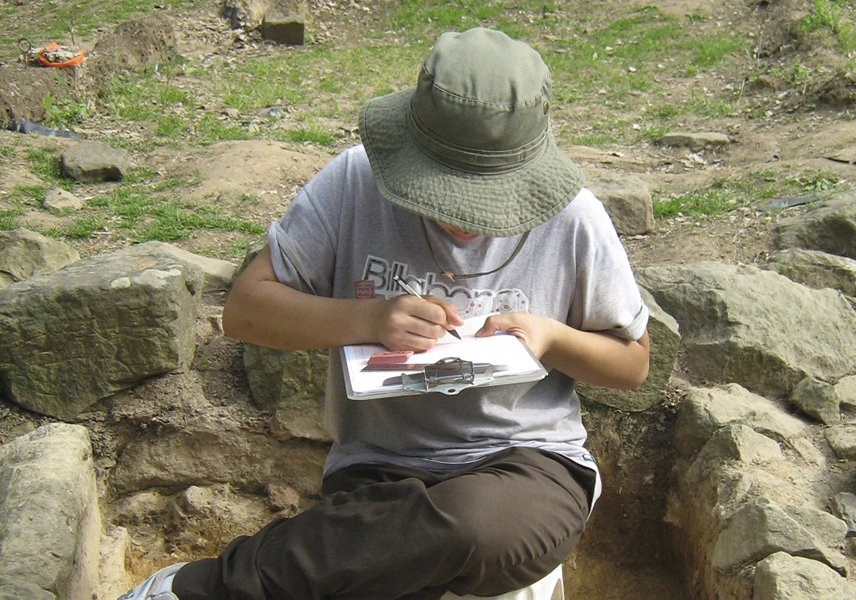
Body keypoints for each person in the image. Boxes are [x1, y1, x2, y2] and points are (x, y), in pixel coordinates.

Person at [119, 26, 650, 600]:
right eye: (443, 192)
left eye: (489, 197)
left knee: (471, 525)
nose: (464, 220)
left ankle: (204, 590)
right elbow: (245, 311)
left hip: (525, 467)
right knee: (406, 550)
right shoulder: (353, 181)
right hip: (381, 469)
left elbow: (633, 363)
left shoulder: (573, 218)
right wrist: (370, 320)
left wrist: (551, 337)